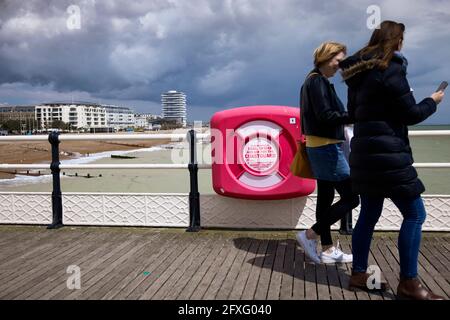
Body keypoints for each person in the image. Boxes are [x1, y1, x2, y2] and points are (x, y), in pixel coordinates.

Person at [339, 20, 445, 299]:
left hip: (364, 156)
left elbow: (353, 114)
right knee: (415, 214)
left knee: (369, 215)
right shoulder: (392, 68)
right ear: (397, 41)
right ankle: (409, 283)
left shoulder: (357, 75)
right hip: (390, 156)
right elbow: (411, 114)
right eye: (402, 40)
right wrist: (432, 100)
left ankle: (360, 274)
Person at [296, 42, 360, 264]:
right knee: (352, 198)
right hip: (326, 147)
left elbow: (322, 115)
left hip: (319, 146)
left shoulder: (311, 80)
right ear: (325, 57)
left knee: (325, 198)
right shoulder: (318, 82)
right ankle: (308, 235)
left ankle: (327, 248)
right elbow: (326, 116)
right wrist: (354, 115)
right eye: (338, 61)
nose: (340, 66)